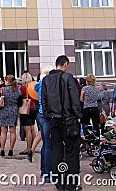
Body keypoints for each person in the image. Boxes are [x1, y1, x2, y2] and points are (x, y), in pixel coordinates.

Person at [42, 55, 82, 191]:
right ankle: (71, 184)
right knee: (71, 152)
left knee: (57, 151)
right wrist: (78, 115)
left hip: (53, 119)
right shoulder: (67, 78)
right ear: (65, 64)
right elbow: (74, 98)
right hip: (68, 119)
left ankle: (59, 182)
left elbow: (44, 101)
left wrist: (48, 115)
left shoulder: (46, 80)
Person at [34, 65, 53, 181]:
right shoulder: (47, 85)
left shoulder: (39, 85)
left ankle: (44, 170)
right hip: (46, 116)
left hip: (40, 115)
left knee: (45, 145)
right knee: (48, 146)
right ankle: (48, 174)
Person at [0, 75, 21, 157]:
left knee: (3, 132)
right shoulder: (17, 90)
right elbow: (20, 102)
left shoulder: (3, 90)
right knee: (12, 131)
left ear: (7, 81)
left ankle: (2, 149)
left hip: (4, 110)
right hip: (13, 110)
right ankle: (11, 149)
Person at [19, 73, 36, 157]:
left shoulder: (22, 88)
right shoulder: (32, 87)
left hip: (25, 109)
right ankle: (33, 147)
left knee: (27, 130)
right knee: (32, 128)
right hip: (33, 108)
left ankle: (28, 148)